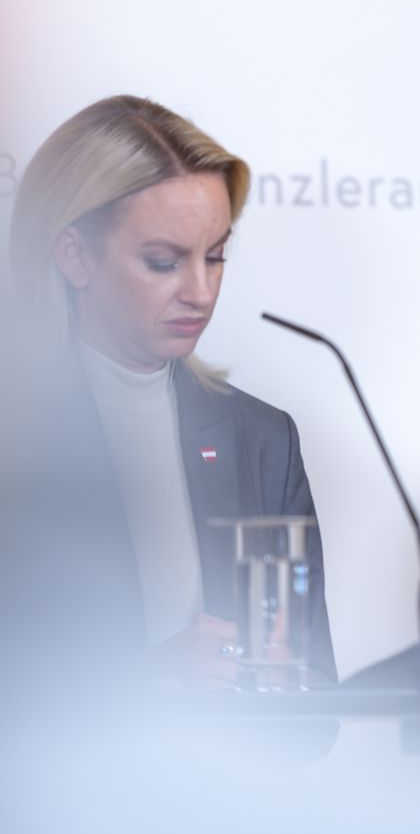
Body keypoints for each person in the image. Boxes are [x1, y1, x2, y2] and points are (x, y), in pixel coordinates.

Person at [7, 95, 335, 686]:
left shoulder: (263, 439)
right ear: (75, 255)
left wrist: (283, 684)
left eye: (215, 257)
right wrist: (150, 687)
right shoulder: (19, 434)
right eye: (163, 262)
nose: (201, 291)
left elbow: (313, 705)